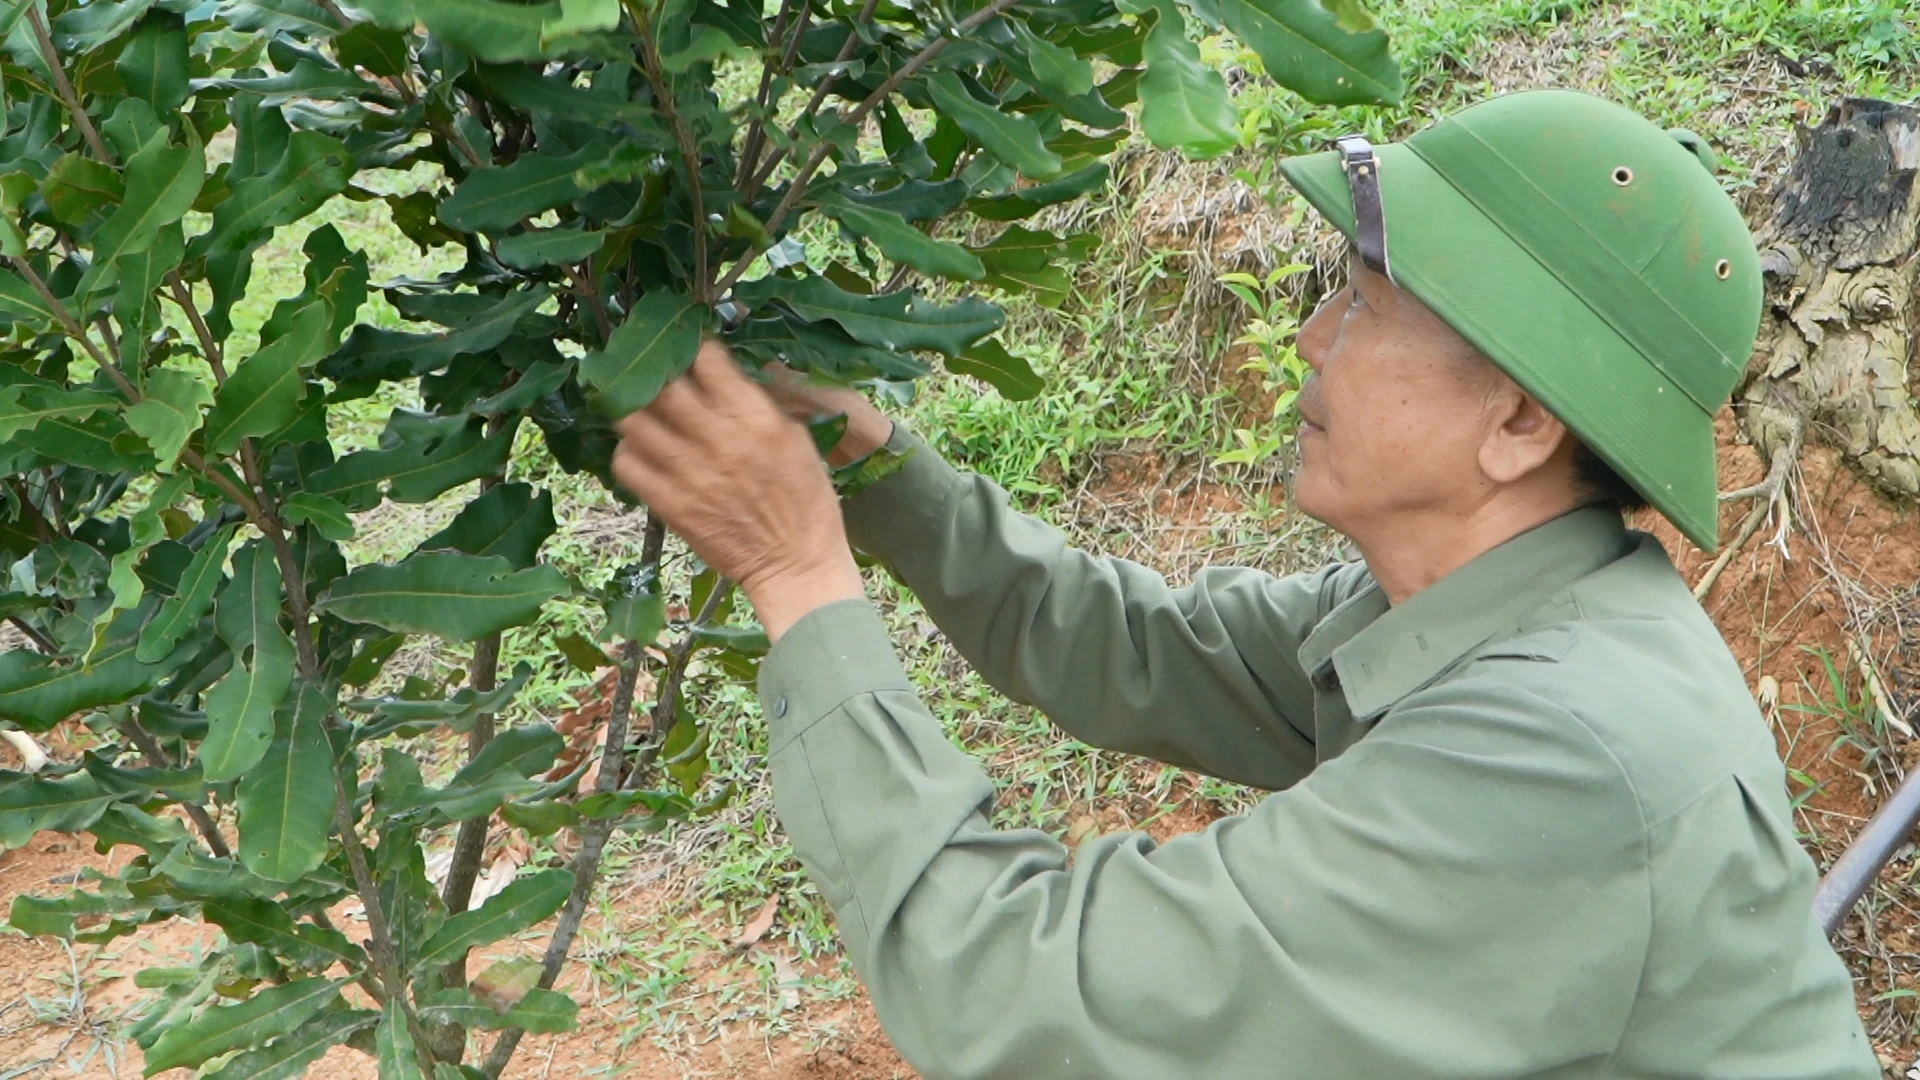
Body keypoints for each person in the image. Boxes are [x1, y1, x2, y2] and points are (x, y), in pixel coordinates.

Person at [611, 90, 1877, 1077]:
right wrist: (875, 475)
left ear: (1518, 426)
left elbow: (1023, 994)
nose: (1311, 337)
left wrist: (797, 575)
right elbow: (1131, 646)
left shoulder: (1558, 756)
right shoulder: (1475, 610)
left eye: (1368, 304)